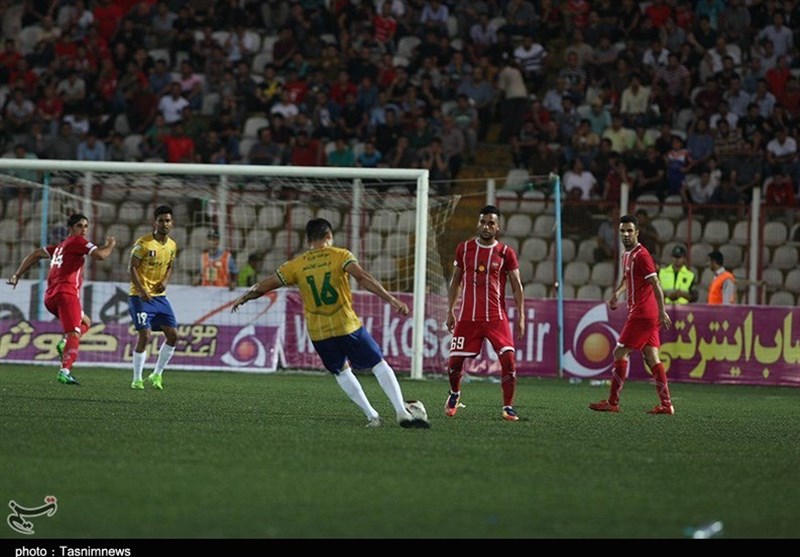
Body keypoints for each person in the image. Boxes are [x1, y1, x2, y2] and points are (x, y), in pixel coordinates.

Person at [230, 218, 429, 429]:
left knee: (341, 372)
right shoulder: (340, 255)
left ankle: (372, 416)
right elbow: (362, 277)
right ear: (329, 236)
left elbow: (265, 286)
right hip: (346, 325)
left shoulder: (296, 265)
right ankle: (401, 411)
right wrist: (391, 299)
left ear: (308, 240)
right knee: (378, 364)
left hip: (319, 333)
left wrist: (245, 297)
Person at [6, 214, 116, 385]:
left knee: (85, 322)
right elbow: (101, 255)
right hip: (66, 294)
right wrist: (110, 245)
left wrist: (17, 274)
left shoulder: (60, 247)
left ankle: (64, 342)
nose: (84, 230)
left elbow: (35, 254)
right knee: (74, 333)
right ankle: (64, 371)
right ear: (70, 228)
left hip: (51, 298)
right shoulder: (77, 242)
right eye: (80, 226)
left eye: (86, 226)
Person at [445, 205, 526, 422]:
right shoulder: (464, 249)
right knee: (453, 364)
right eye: (483, 222)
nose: (486, 226)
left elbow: (517, 286)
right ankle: (454, 394)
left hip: (496, 318)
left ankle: (508, 407)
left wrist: (521, 316)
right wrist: (450, 310)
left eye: (491, 222)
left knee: (509, 360)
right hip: (467, 318)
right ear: (477, 224)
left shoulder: (506, 253)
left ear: (498, 227)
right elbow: (456, 282)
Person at [589, 214, 674, 415]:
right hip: (644, 313)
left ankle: (612, 401)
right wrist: (617, 294)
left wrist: (662, 311)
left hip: (643, 314)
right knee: (652, 357)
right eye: (622, 231)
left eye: (629, 231)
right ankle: (666, 404)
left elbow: (656, 284)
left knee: (620, 353)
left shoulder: (642, 255)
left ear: (637, 232)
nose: (626, 234)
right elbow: (628, 279)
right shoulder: (627, 255)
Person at [128, 205, 179, 390]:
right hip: (139, 297)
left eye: (167, 220)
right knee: (145, 335)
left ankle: (156, 375)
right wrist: (142, 290)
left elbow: (170, 265)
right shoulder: (143, 244)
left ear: (172, 223)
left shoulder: (172, 245)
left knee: (173, 336)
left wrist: (165, 281)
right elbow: (131, 267)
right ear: (154, 222)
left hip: (159, 297)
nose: (164, 224)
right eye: (161, 220)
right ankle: (137, 379)